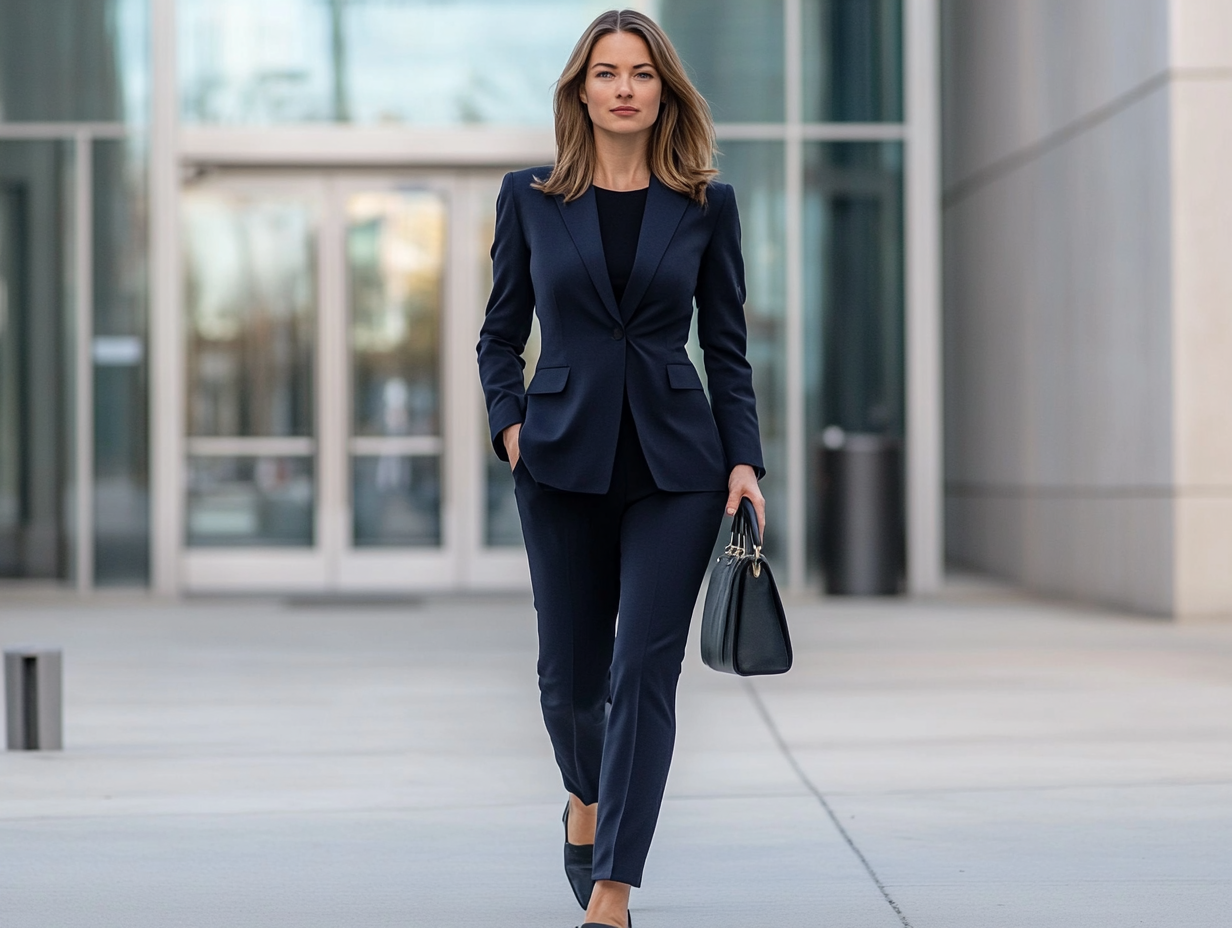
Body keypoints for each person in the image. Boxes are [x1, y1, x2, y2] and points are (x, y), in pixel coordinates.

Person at [476, 9, 764, 927]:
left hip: (678, 467)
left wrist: (745, 461)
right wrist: (510, 428)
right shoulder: (530, 196)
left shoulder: (705, 204)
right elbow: (498, 334)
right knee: (568, 677)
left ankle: (613, 888)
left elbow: (727, 348)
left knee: (644, 669)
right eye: (607, 72)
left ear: (664, 89)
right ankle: (584, 798)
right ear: (582, 90)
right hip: (559, 459)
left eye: (642, 72)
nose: (626, 87)